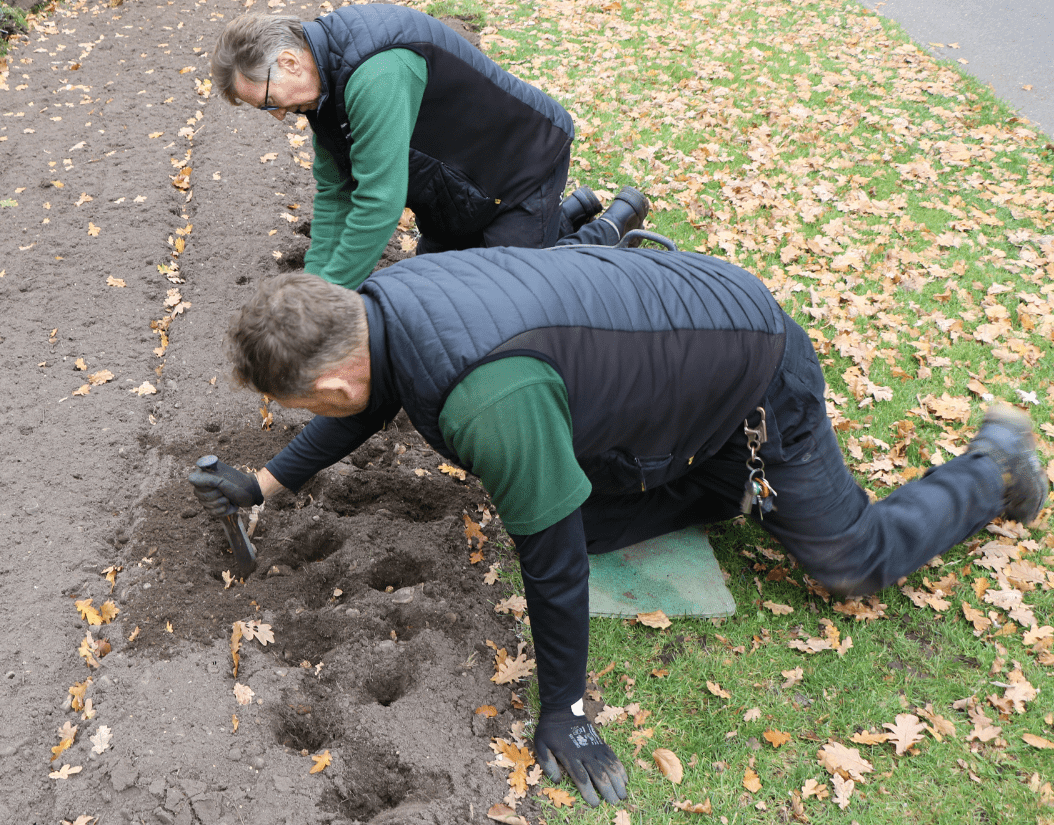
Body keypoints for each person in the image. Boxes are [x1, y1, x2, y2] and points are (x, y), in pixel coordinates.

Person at [188, 249, 1048, 807]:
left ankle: (994, 467)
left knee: (847, 559)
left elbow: (554, 564)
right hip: (675, 338)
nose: (303, 414)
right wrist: (265, 482)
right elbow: (365, 402)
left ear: (330, 376)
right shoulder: (383, 305)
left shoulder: (491, 397)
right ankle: (730, 489)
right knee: (583, 512)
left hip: (749, 362)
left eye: (292, 407)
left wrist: (564, 709)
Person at [209, 6, 650, 289]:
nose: (279, 115)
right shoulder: (320, 90)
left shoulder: (376, 72)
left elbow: (379, 202)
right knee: (438, 292)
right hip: (458, 186)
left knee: (513, 296)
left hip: (520, 163)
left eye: (269, 102)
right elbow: (335, 192)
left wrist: (326, 301)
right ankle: (568, 214)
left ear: (287, 61)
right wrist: (315, 288)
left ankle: (610, 227)